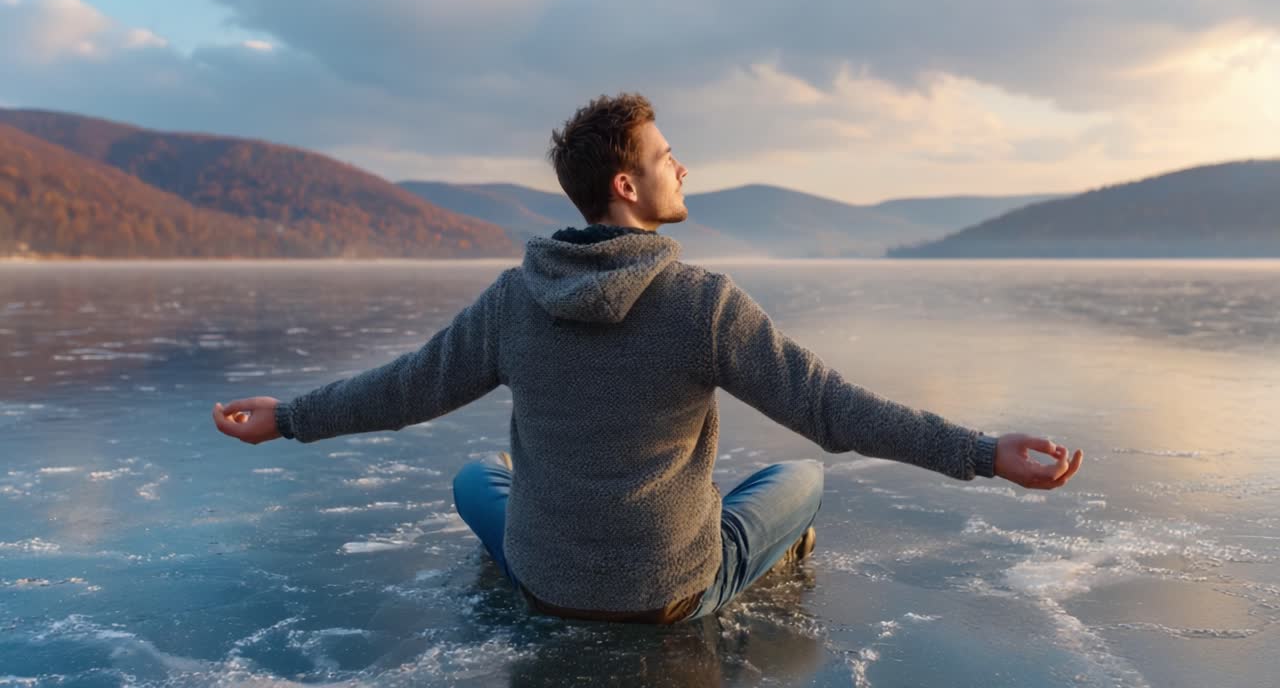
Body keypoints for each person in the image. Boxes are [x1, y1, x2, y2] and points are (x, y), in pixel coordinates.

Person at [212, 93, 1083, 624]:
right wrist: (980, 453)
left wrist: (288, 418)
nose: (683, 166)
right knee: (797, 476)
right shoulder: (703, 304)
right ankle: (756, 553)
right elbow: (831, 411)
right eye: (668, 157)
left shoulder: (516, 298)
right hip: (670, 593)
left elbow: (408, 387)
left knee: (476, 476)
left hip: (544, 578)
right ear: (627, 185)